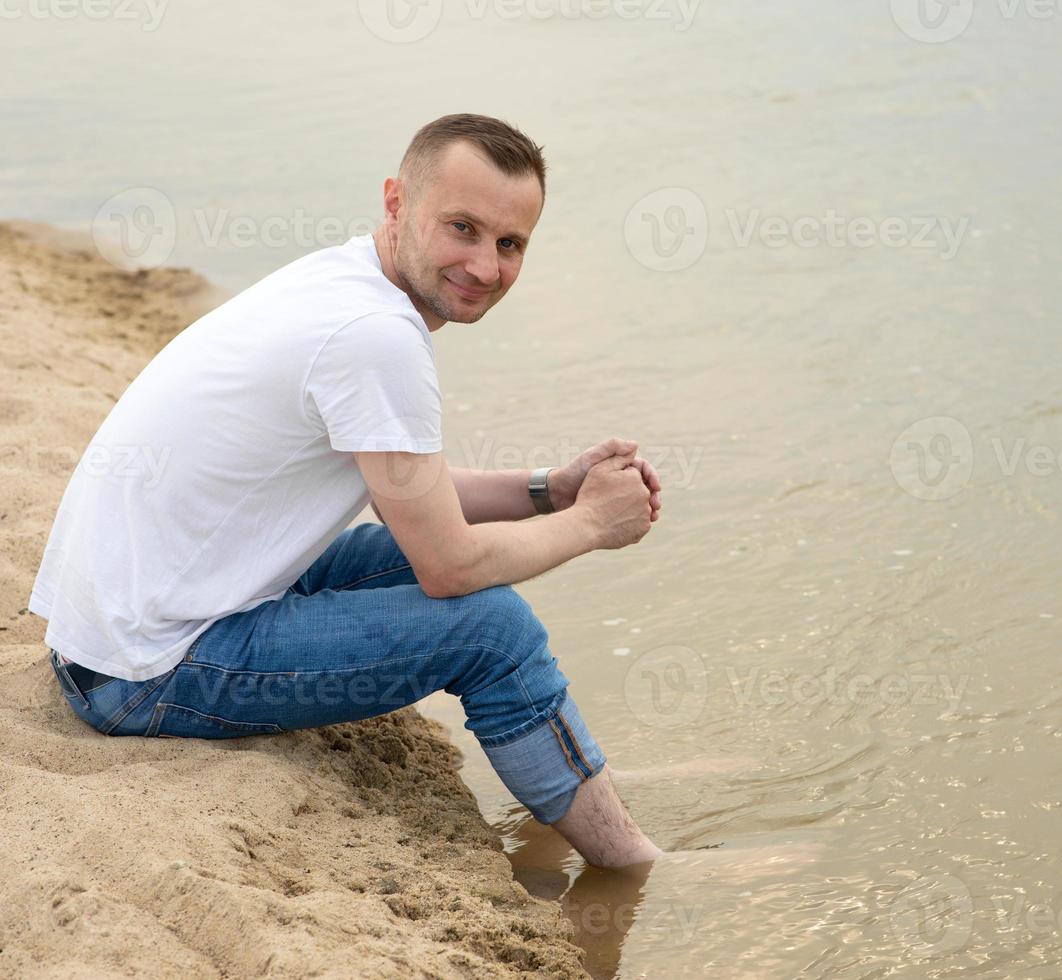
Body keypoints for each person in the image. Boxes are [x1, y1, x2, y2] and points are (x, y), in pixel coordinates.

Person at [28, 113, 665, 868]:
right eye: (462, 227)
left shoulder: (343, 280)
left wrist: (550, 491)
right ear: (397, 202)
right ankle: (633, 864)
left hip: (110, 633)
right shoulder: (375, 335)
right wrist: (593, 523)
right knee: (493, 630)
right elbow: (450, 568)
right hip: (141, 673)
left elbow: (412, 490)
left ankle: (578, 774)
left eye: (510, 243)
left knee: (398, 555)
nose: (485, 266)